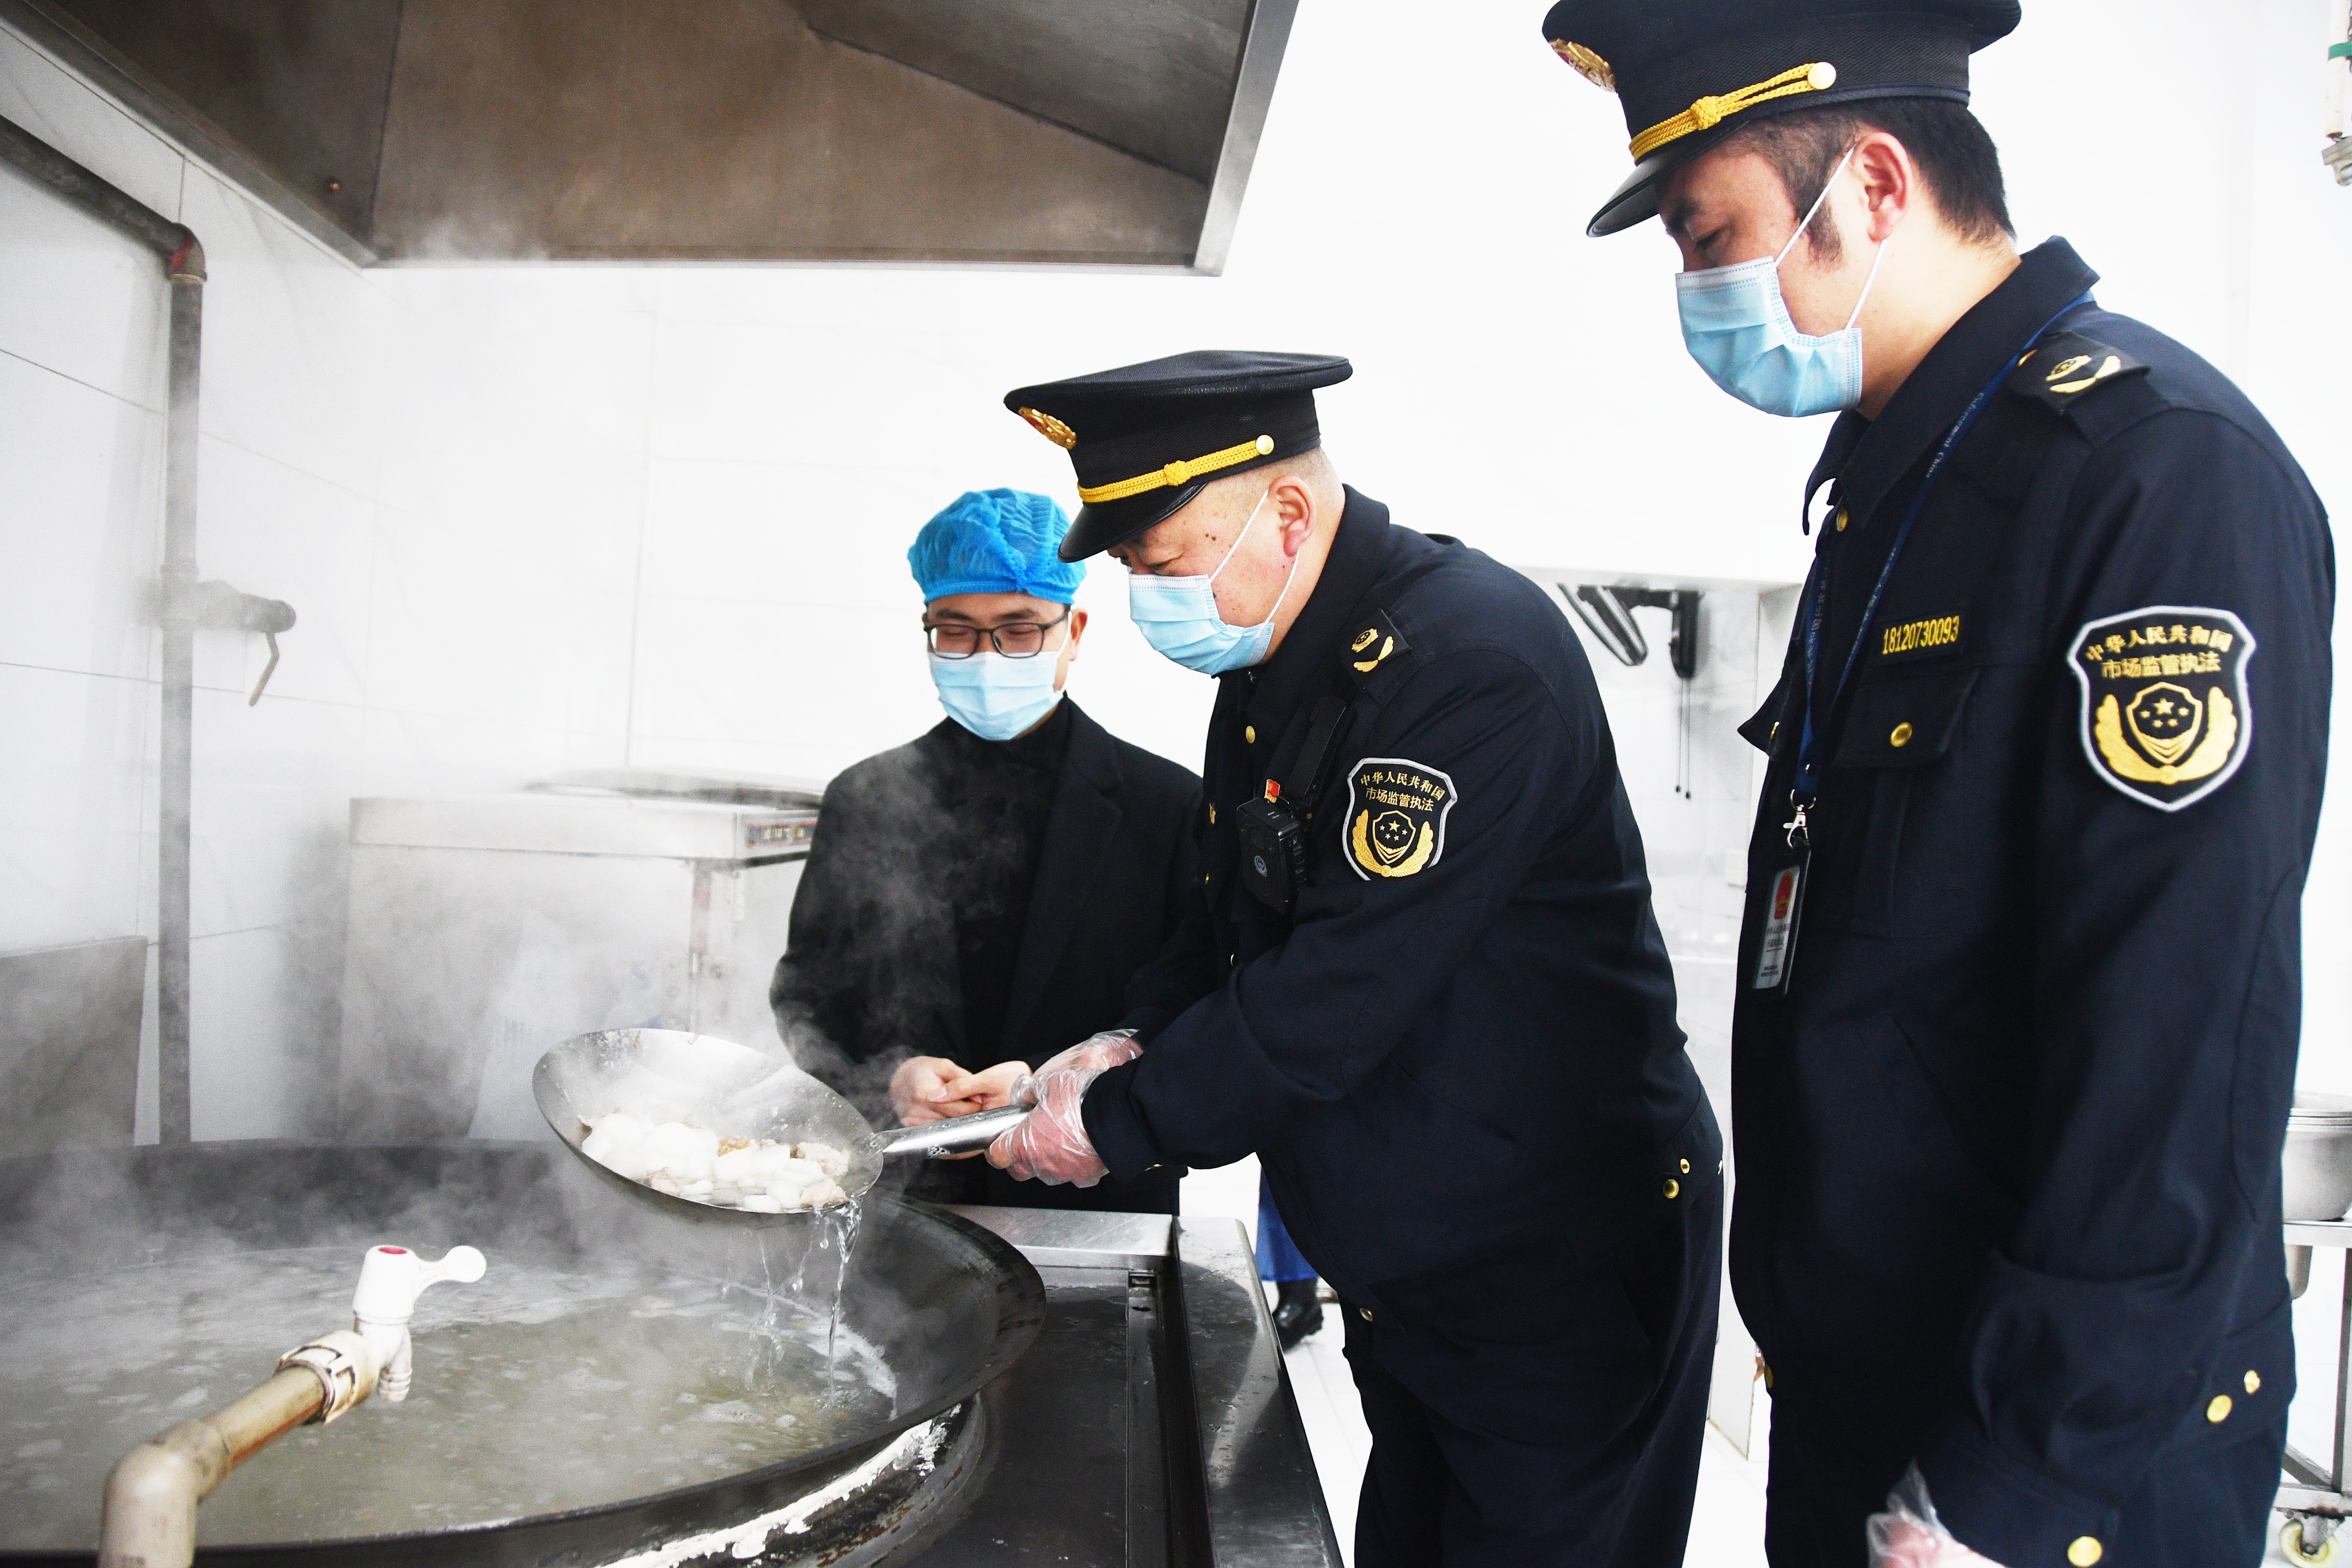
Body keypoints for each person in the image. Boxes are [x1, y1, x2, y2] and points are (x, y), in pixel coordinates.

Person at [1535, 4, 2334, 1566]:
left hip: (2040, 1463)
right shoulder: (1896, 480)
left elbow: (2171, 1022)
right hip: (1872, 1396)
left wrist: (2015, 1480)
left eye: (1712, 236)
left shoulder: (2148, 476)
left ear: (1874, 187)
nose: (1697, 290)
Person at [985, 351, 1724, 1568]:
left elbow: (1336, 991)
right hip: (1422, 1258)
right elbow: (1230, 917)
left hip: (1555, 1271)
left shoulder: (1464, 663)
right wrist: (1130, 1040)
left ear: (1283, 513)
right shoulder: (1281, 659)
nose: (1151, 601)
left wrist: (1117, 1122)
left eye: (1164, 565)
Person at [769, 487, 1200, 1214]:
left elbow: (1190, 1007)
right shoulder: (864, 797)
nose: (987, 656)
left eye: (1020, 629)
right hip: (899, 1193)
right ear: (929, 631)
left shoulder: (1169, 807)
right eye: (957, 631)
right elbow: (810, 992)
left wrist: (1046, 1083)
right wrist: (892, 1077)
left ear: (1075, 630)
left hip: (1089, 1194)